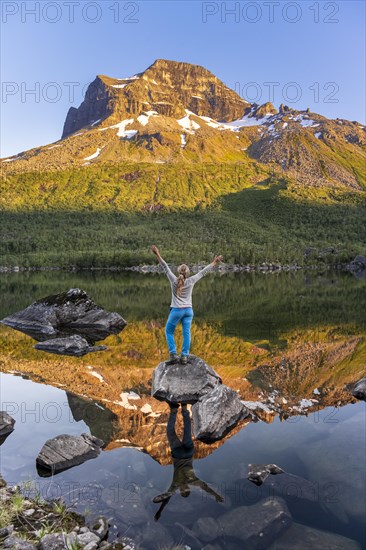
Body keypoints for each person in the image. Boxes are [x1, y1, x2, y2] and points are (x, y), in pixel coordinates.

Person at [151, 245, 223, 364]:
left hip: (176, 311)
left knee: (169, 331)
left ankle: (173, 354)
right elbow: (203, 272)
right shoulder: (191, 280)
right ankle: (184, 356)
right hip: (188, 311)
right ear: (188, 273)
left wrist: (157, 253)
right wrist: (214, 262)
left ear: (179, 272)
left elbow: (165, 266)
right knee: (186, 333)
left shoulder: (173, 280)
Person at [152, 403, 224, 521]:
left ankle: (185, 409)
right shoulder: (176, 485)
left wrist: (216, 495)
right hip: (178, 454)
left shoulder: (194, 481)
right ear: (182, 490)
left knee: (187, 431)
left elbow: (205, 487)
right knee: (170, 433)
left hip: (189, 453)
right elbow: (167, 498)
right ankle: (174, 410)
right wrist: (160, 511)